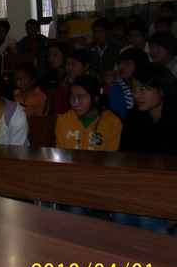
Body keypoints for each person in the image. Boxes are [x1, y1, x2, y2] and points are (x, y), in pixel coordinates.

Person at [114, 63, 177, 233]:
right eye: (134, 89)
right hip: (140, 188)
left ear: (162, 90)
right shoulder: (134, 117)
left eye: (144, 89)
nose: (137, 95)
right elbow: (124, 158)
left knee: (148, 216)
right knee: (122, 212)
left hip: (169, 190)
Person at [55, 74, 122, 151]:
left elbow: (111, 155)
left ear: (95, 98)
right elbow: (61, 153)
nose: (75, 103)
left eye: (80, 98)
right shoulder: (64, 121)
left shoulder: (112, 123)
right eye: (71, 97)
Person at [108, 48, 150, 119]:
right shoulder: (116, 89)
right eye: (120, 63)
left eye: (128, 63)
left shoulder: (150, 88)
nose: (121, 67)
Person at [39, 41, 71, 115]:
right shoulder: (47, 77)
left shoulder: (71, 74)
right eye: (49, 55)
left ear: (64, 55)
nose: (51, 58)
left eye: (55, 55)